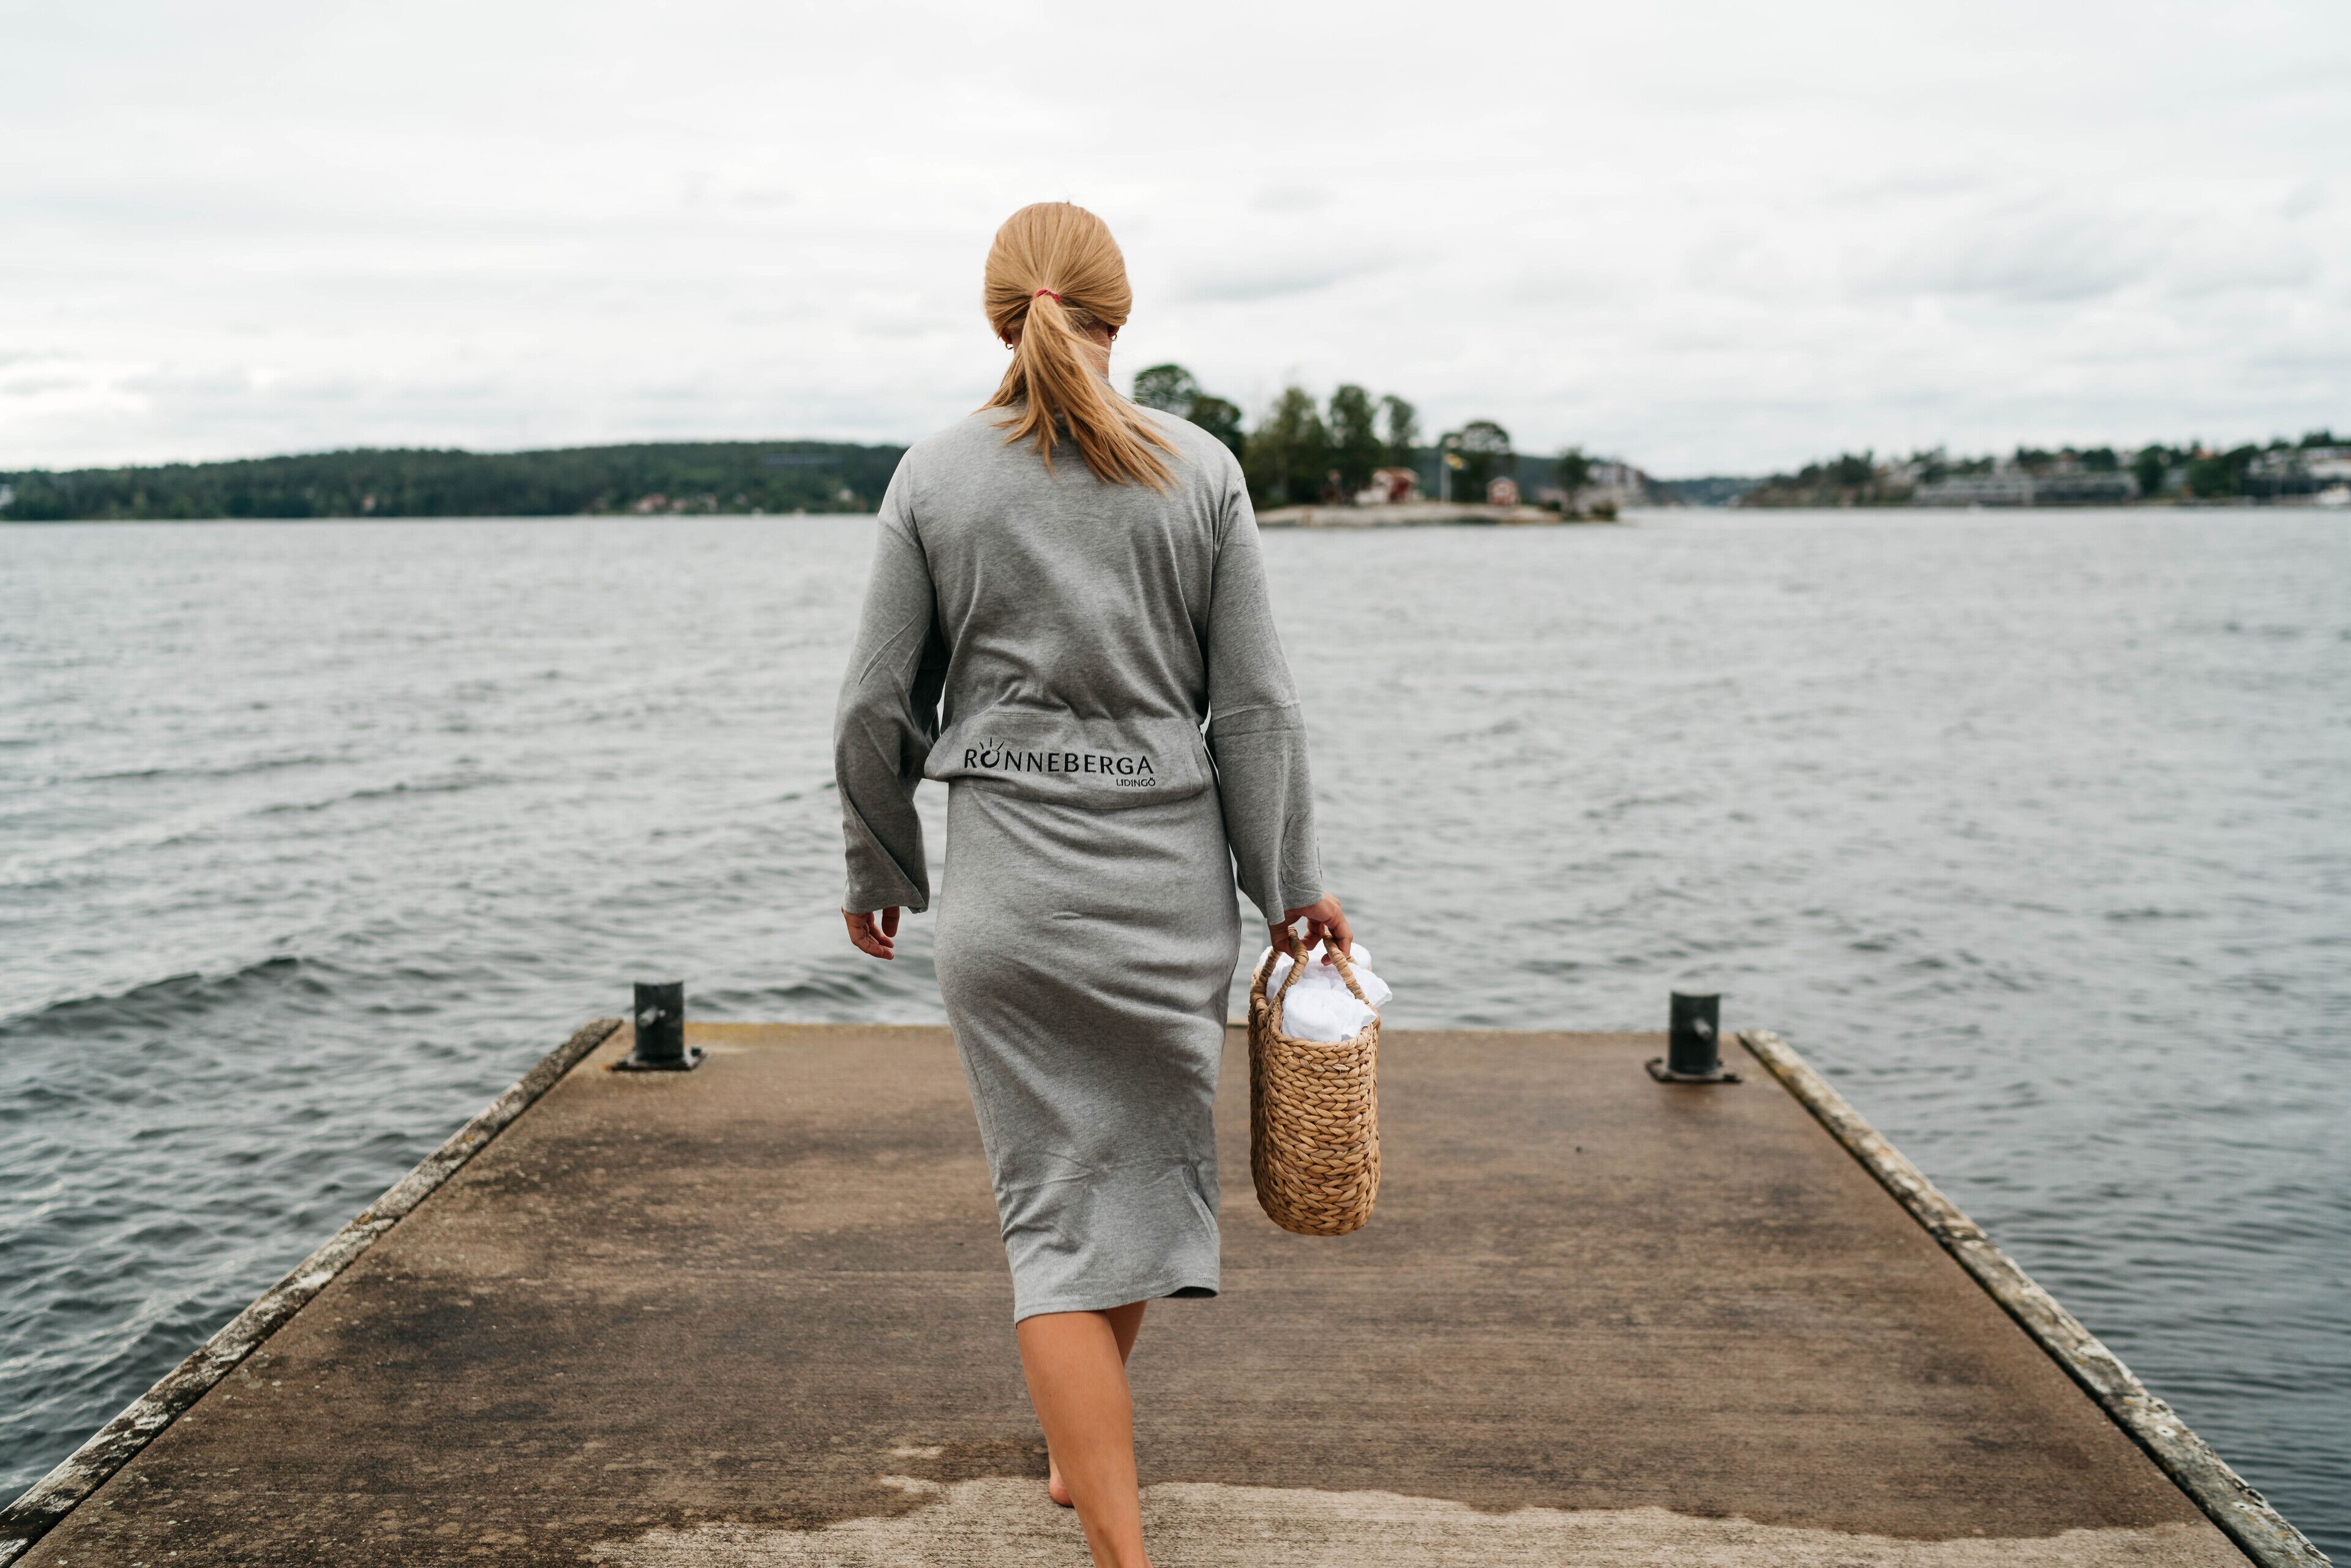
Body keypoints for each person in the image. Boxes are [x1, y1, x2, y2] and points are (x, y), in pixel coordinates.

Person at [833, 200, 1348, 1568]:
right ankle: (1119, 1539)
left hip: (1008, 909)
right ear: (1125, 313)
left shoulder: (934, 477)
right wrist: (1292, 885)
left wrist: (879, 861)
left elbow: (875, 705)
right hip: (1166, 903)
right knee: (1120, 1200)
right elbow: (1257, 711)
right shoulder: (1204, 472)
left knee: (1060, 1220)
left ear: (996, 312)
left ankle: (1083, 1460)